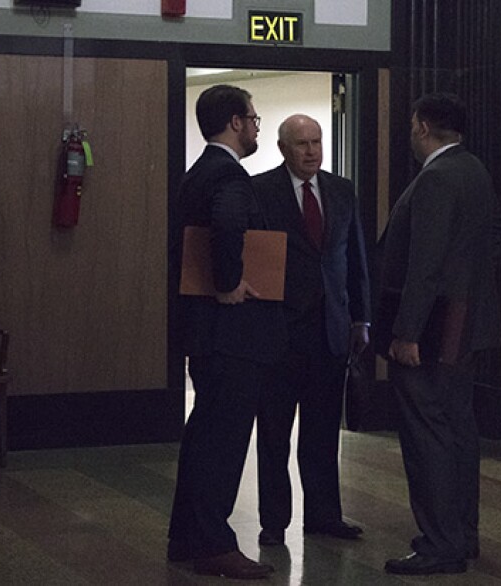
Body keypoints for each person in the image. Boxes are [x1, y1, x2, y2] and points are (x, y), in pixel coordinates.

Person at [376, 92, 501, 576]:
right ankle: (462, 533)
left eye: (413, 125)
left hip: (430, 329)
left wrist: (406, 332)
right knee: (457, 428)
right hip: (464, 324)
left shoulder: (436, 177)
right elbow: (493, 239)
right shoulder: (474, 171)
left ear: (423, 127)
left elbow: (423, 264)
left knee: (427, 432)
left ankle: (439, 543)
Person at [167, 84, 286, 579]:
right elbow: (228, 223)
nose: (256, 127)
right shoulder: (230, 175)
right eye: (254, 120)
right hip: (233, 334)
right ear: (235, 123)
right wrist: (229, 283)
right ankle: (214, 542)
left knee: (203, 436)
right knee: (224, 439)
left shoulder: (197, 172)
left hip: (205, 335)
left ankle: (186, 536)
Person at [251, 114, 371, 546]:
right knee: (274, 434)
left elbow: (354, 258)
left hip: (330, 332)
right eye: (301, 143)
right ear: (283, 148)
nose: (311, 151)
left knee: (322, 433)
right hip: (280, 333)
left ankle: (324, 515)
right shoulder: (261, 190)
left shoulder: (341, 190)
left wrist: (361, 317)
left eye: (316, 141)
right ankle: (273, 520)